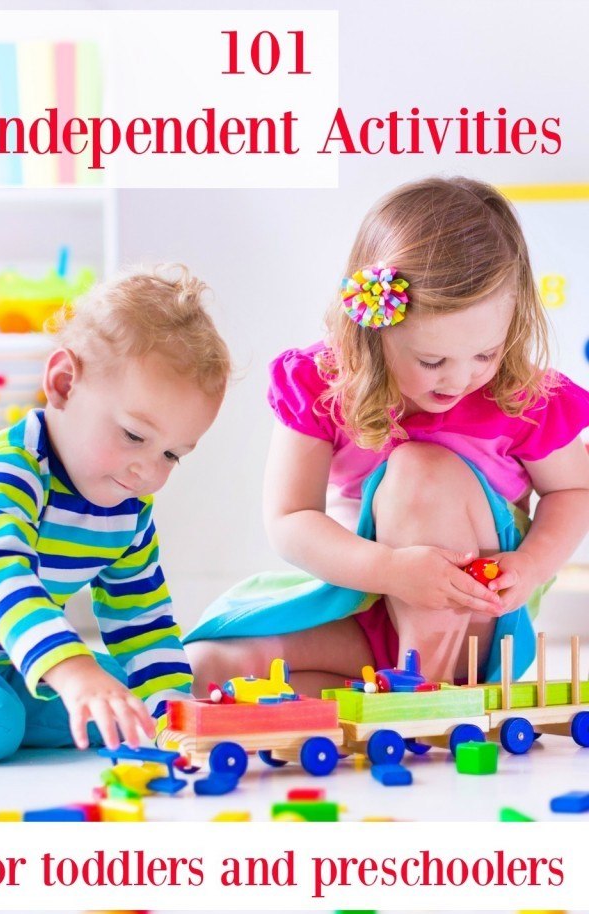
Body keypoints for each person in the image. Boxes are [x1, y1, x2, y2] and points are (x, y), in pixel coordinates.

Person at [186, 177, 589, 695]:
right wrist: (391, 571)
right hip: (365, 604)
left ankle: (426, 692)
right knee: (205, 668)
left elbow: (572, 490)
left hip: (469, 624)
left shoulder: (520, 393)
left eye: (485, 354)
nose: (460, 378)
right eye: (432, 360)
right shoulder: (324, 383)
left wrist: (531, 566)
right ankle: (378, 697)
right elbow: (289, 518)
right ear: (373, 330)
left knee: (421, 467)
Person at [0, 266, 230, 767]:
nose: (148, 471)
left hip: (1, 659)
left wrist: (170, 709)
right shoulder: (4, 475)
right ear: (63, 384)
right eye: (134, 436)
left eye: (172, 455)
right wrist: (73, 669)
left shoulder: (128, 509)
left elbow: (142, 618)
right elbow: (3, 580)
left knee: (125, 699)